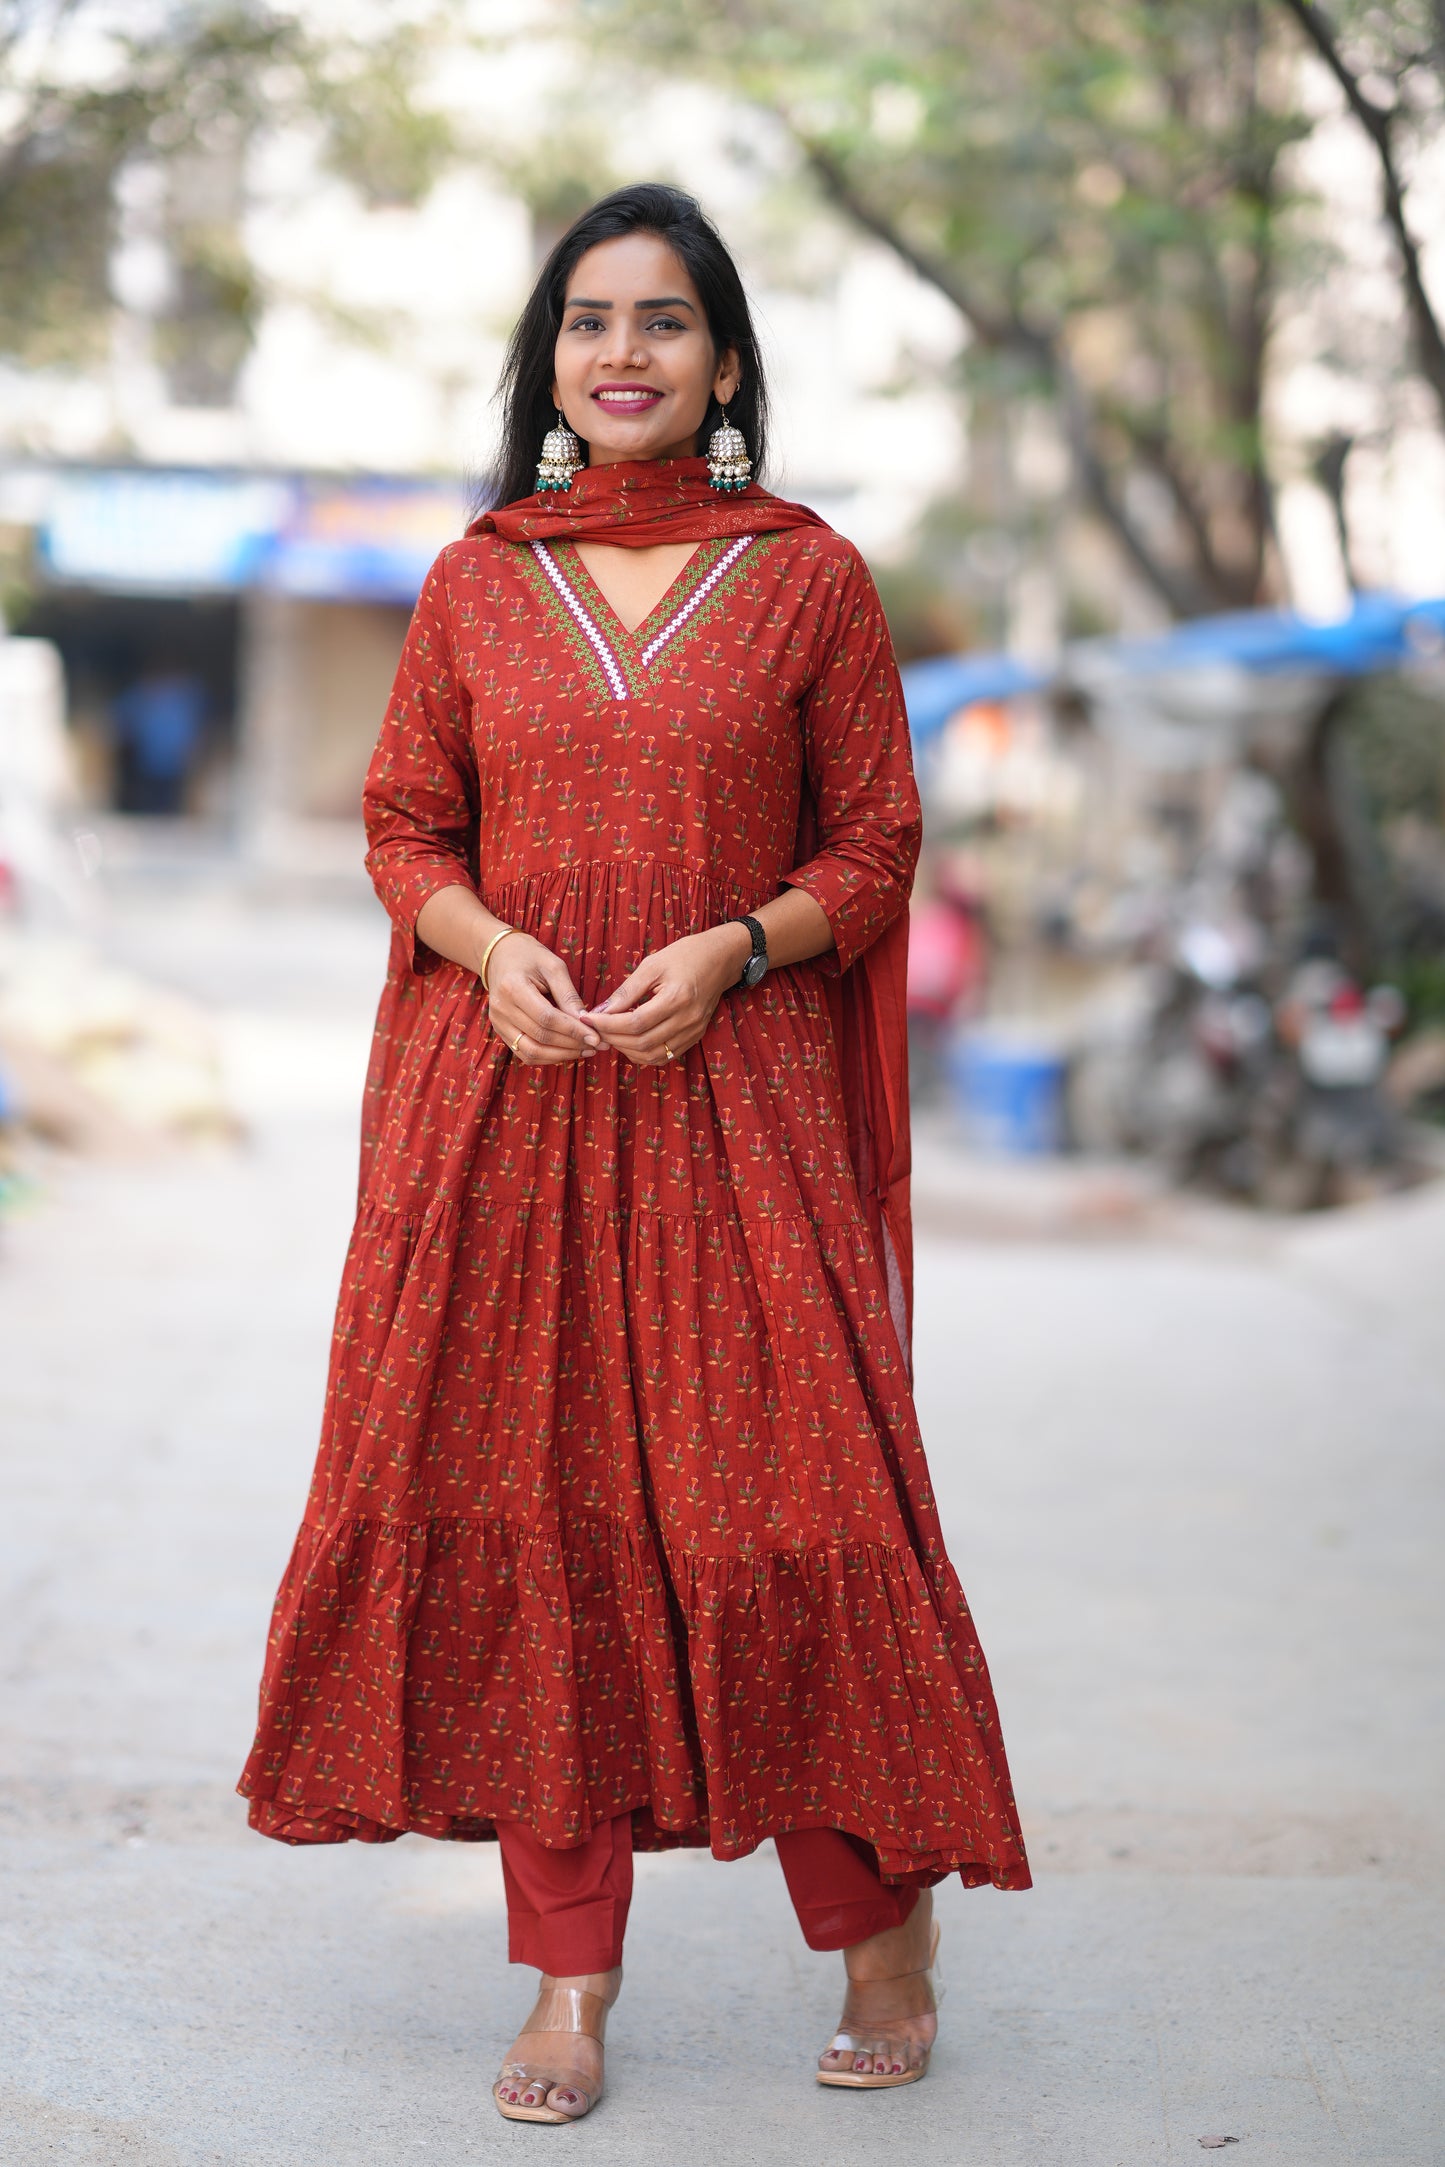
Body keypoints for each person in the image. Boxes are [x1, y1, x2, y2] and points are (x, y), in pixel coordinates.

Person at [239, 182, 1029, 2124]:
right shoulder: (469, 578)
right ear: (547, 360)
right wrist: (489, 948)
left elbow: (869, 848)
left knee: (790, 1517)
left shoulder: (805, 575)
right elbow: (403, 827)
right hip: (502, 1123)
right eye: (588, 321)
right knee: (543, 1533)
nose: (620, 353)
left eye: (661, 321)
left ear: (723, 359)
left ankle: (873, 1922)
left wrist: (732, 947)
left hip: (736, 1115)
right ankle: (565, 1981)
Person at [109, 664, 207, 815]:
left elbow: (198, 723)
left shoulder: (186, 695)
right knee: (150, 802)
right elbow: (119, 716)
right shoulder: (142, 693)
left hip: (175, 762)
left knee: (171, 802)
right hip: (149, 761)